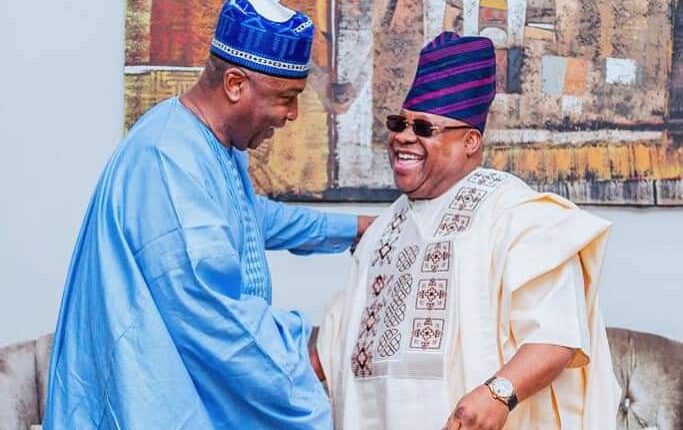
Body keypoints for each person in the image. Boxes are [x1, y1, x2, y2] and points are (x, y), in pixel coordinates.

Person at [43, 0, 373, 428]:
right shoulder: (168, 156)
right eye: (285, 98)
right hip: (148, 395)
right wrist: (302, 359)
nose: (292, 115)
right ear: (235, 83)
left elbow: (253, 218)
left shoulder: (212, 144)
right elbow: (208, 308)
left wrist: (356, 228)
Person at [315, 32, 620, 430]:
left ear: (470, 141)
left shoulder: (518, 216)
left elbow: (556, 335)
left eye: (424, 127)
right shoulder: (382, 230)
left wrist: (498, 394)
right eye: (399, 123)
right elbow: (341, 339)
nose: (404, 136)